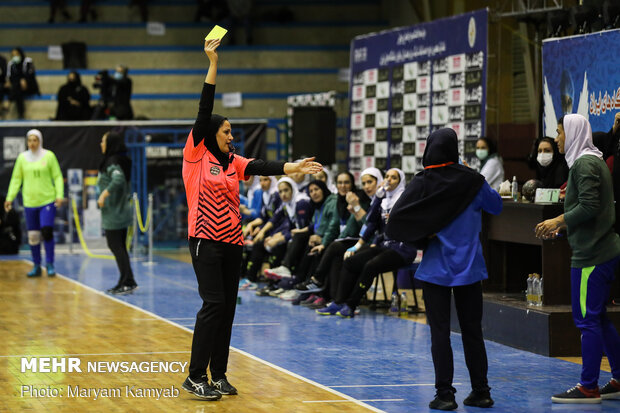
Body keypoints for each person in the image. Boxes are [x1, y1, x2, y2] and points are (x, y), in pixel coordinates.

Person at [181, 38, 321, 400]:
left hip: (232, 243)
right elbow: (204, 107)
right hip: (204, 241)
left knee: (227, 309)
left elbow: (264, 165)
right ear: (211, 134)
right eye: (226, 131)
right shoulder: (196, 154)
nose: (231, 136)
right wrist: (213, 64)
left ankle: (219, 374)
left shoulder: (233, 162)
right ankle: (195, 376)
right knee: (212, 305)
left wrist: (295, 166)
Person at [385, 128, 501, 410]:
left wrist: (423, 233)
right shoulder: (472, 181)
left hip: (435, 270)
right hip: (470, 269)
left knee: (440, 333)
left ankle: (445, 395)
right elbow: (496, 206)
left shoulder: (423, 182)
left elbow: (395, 220)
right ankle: (481, 391)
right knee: (473, 331)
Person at [535, 114, 620, 404]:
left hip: (592, 256)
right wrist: (563, 231)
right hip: (598, 249)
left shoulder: (585, 163)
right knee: (598, 318)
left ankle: (588, 387)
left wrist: (558, 220)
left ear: (572, 133)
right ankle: (619, 378)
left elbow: (589, 206)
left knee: (586, 320)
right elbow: (591, 212)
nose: (557, 139)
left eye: (559, 133)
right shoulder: (589, 161)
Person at [315, 168, 407, 317]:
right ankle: (338, 301)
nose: (389, 180)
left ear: (400, 181)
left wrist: (359, 209)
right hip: (382, 245)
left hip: (401, 248)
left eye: (393, 178)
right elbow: (371, 223)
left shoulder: (404, 199)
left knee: (370, 265)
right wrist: (357, 245)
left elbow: (389, 227)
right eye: (387, 177)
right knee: (350, 260)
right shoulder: (383, 200)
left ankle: (351, 304)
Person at [295, 167, 381, 308]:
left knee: (334, 248)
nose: (343, 186)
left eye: (346, 182)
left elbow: (365, 227)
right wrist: (325, 243)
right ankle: (330, 297)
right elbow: (335, 225)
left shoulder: (362, 199)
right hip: (352, 240)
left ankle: (319, 284)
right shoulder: (339, 201)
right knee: (327, 248)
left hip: (364, 241)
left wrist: (356, 207)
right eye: (340, 183)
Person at [4, 129, 63, 277]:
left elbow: (57, 176)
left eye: (35, 140)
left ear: (40, 141)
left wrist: (59, 195)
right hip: (30, 202)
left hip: (47, 201)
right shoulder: (22, 158)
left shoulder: (49, 156)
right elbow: (16, 179)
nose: (32, 143)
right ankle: (37, 265)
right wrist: (9, 198)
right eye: (29, 140)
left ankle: (50, 263)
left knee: (47, 231)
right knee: (33, 236)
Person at [97, 131, 137, 295]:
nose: (101, 144)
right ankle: (124, 280)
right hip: (118, 212)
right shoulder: (118, 160)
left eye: (103, 141)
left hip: (116, 213)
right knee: (119, 247)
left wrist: (104, 193)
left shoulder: (112, 162)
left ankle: (128, 281)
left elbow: (118, 179)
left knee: (116, 247)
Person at [4, 48, 40, 119]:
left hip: (30, 86)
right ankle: (21, 114)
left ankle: (9, 101)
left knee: (17, 87)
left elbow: (31, 74)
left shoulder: (28, 61)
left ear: (20, 54)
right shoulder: (11, 64)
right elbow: (11, 77)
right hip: (18, 88)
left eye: (16, 54)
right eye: (13, 55)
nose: (15, 57)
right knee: (17, 89)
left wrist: (24, 80)